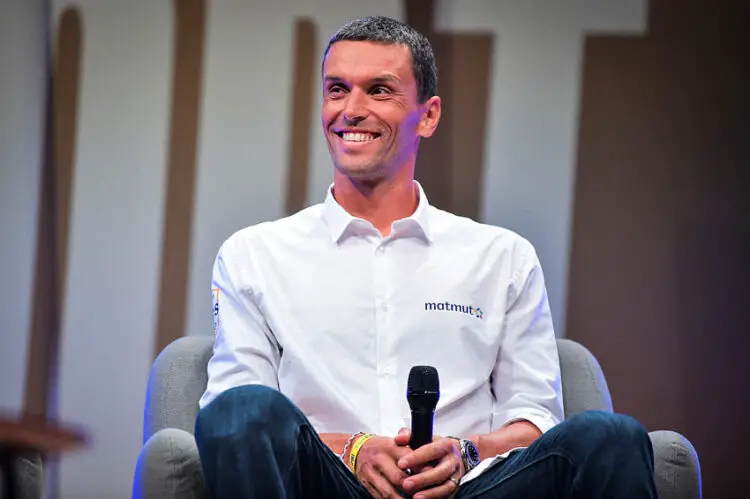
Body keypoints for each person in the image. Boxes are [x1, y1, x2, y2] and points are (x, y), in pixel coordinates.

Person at [194, 15, 656, 499]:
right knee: (241, 412)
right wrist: (356, 449)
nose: (350, 110)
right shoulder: (255, 255)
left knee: (611, 437)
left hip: (469, 490)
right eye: (336, 89)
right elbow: (233, 418)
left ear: (429, 115)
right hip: (329, 484)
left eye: (378, 90)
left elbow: (535, 423)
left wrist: (465, 451)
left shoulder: (502, 258)